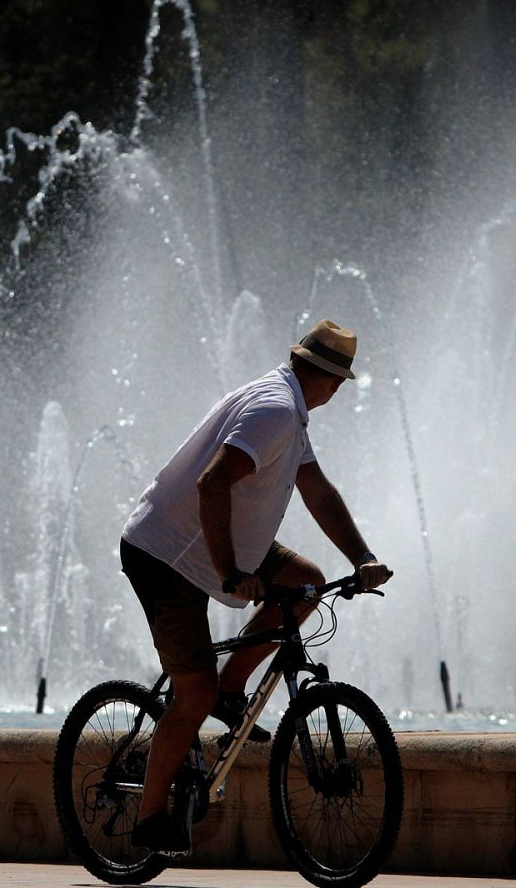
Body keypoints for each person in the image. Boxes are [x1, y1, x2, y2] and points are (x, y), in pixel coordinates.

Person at [118, 319, 393, 851]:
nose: (338, 392)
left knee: (309, 584)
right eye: (338, 382)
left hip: (214, 539)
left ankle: (229, 687)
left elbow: (318, 492)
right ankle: (150, 818)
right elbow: (212, 482)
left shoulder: (290, 414)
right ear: (321, 376)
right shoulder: (275, 412)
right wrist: (229, 573)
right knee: (191, 692)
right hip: (166, 551)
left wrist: (363, 556)